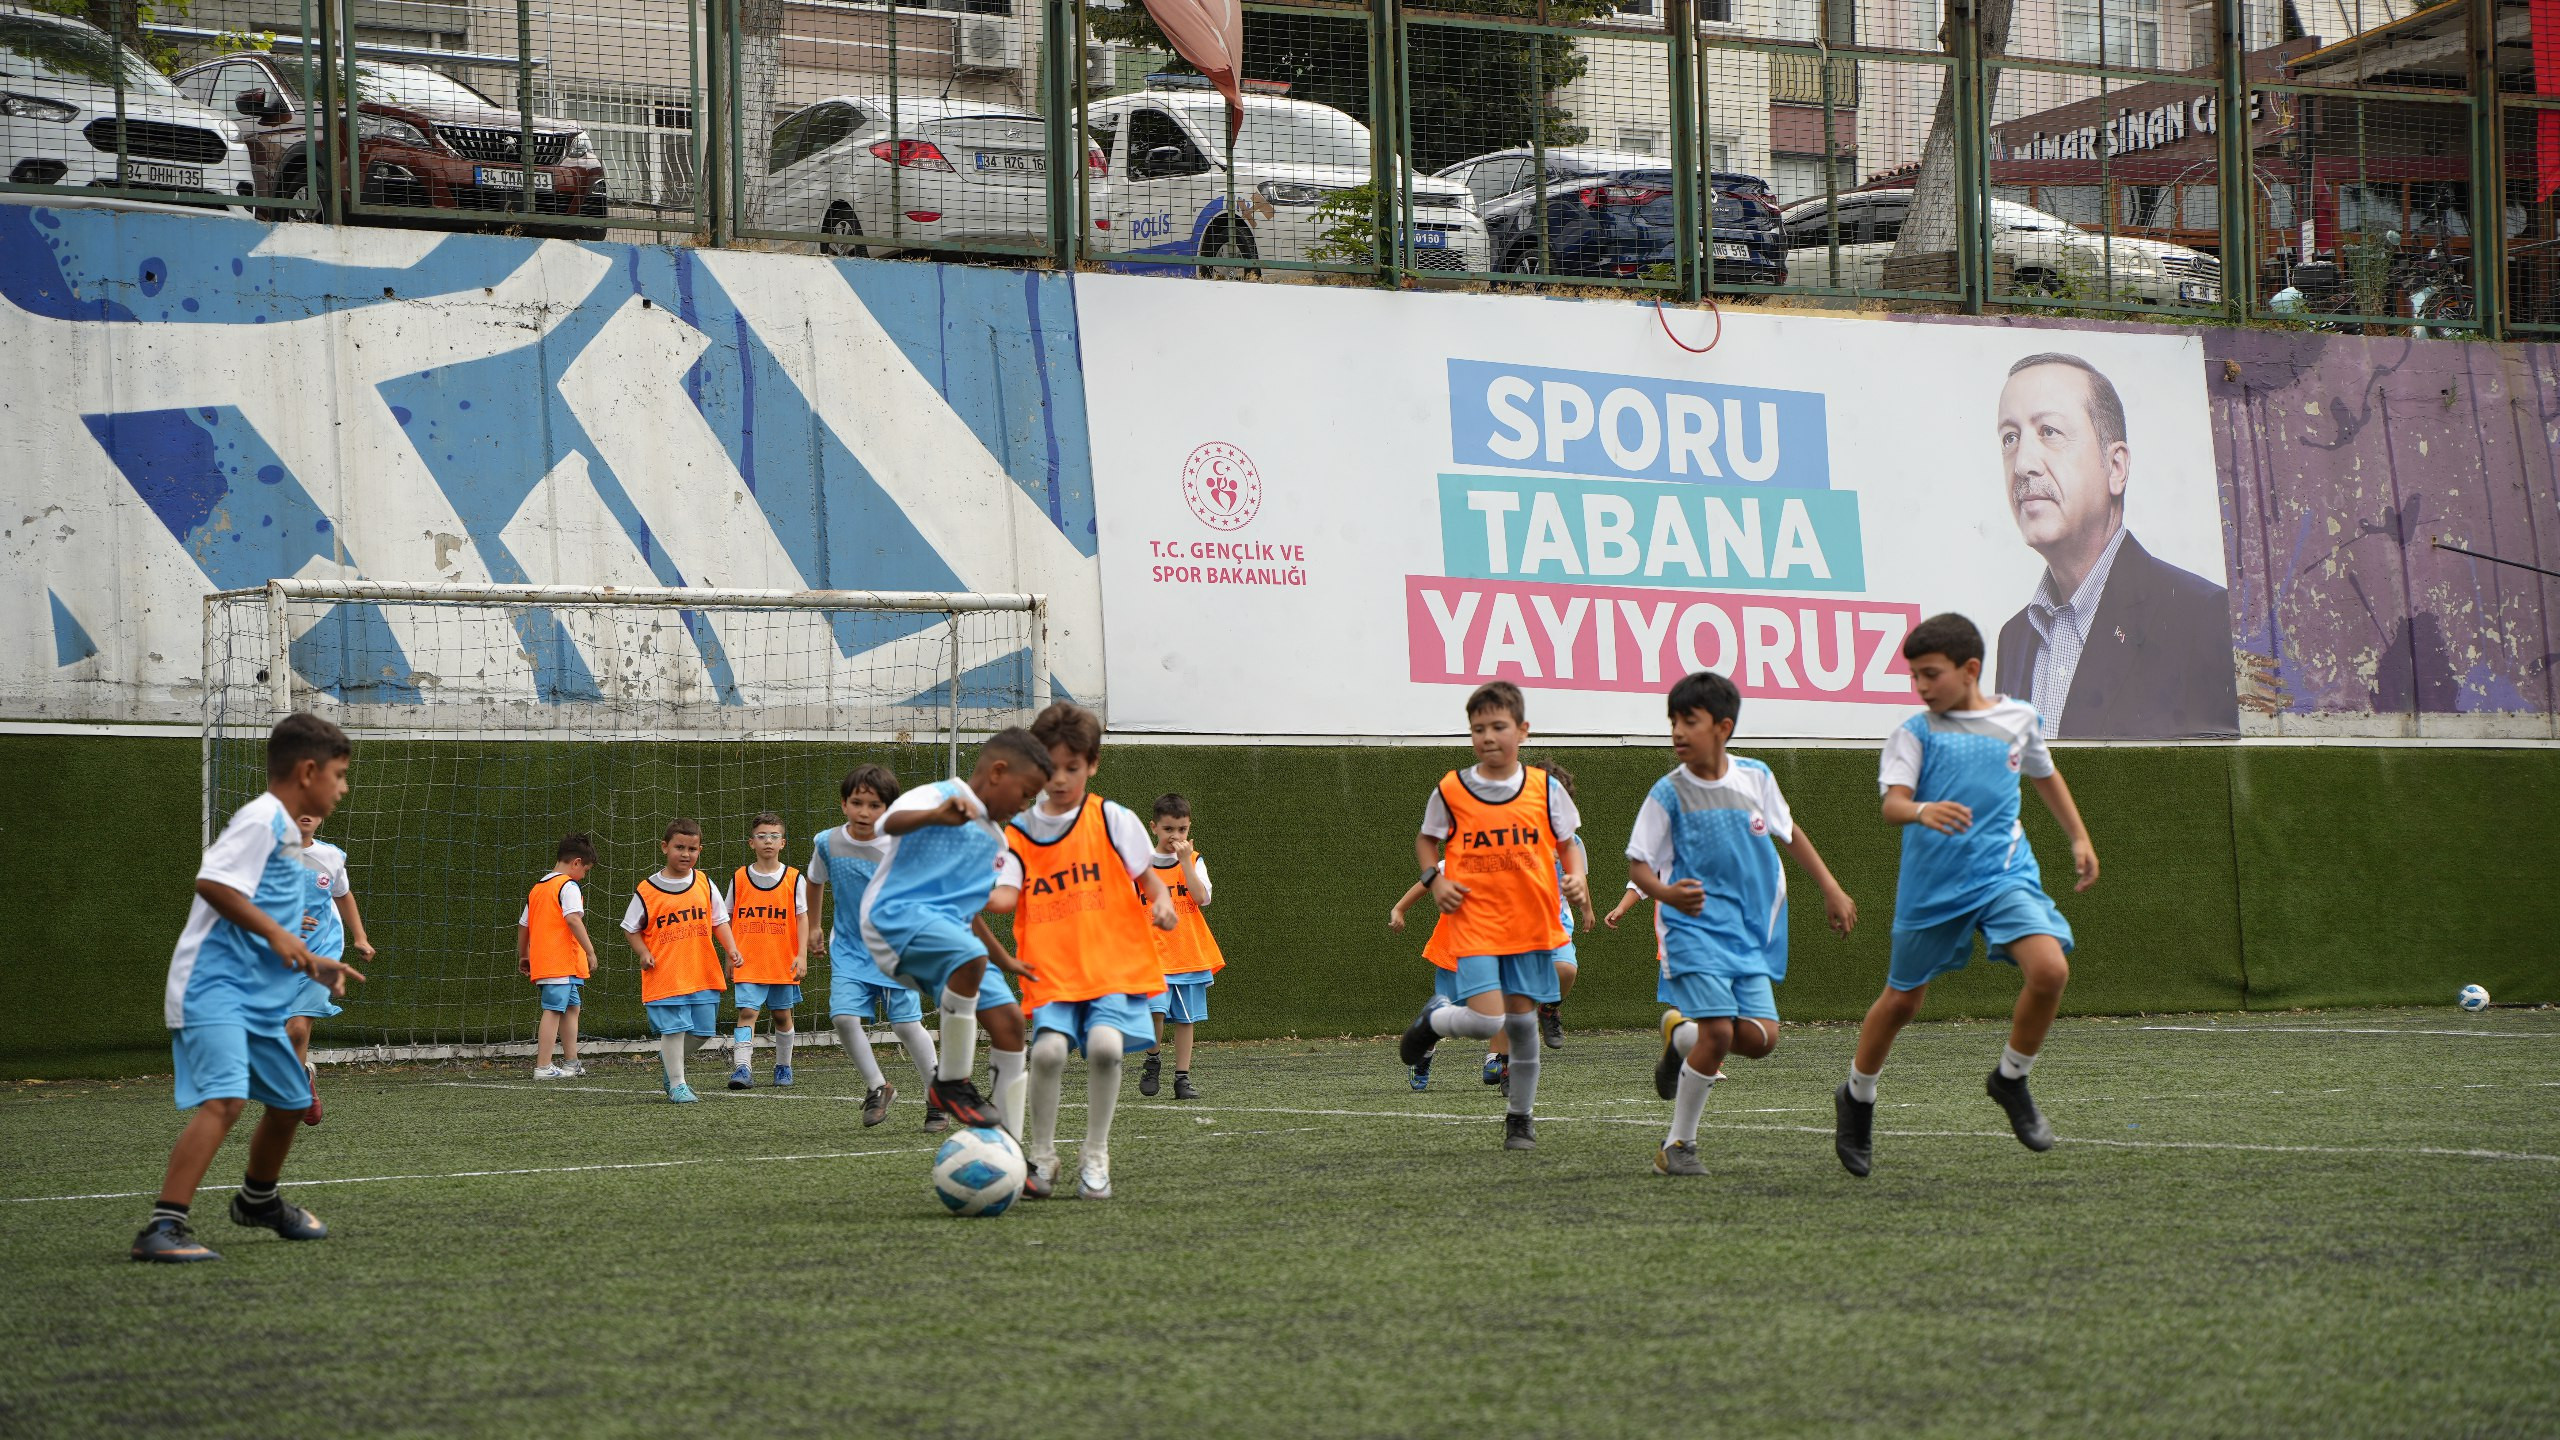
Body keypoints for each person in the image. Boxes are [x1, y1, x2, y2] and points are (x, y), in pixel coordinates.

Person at [1835, 612, 2100, 1177]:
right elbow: (1892, 805)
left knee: (2050, 969)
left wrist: (2078, 837)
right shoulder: (1915, 733)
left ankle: (2011, 1078)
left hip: (2005, 876)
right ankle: (1857, 1096)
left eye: (1931, 674)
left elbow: (2044, 774)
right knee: (1902, 1002)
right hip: (1932, 888)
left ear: (1970, 669)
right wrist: (1922, 810)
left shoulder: (2018, 719)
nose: (1921, 686)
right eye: (1914, 676)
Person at [133, 713, 365, 1263]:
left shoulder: (288, 835)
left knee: (290, 1101)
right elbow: (213, 884)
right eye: (338, 775)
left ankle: (258, 1200)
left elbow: (265, 917)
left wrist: (310, 960)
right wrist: (284, 939)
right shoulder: (262, 820)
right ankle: (163, 1227)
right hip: (213, 989)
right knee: (227, 1100)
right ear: (307, 772)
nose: (342, 788)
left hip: (259, 999)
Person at [1626, 671, 1856, 1177]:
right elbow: (1639, 866)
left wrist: (1831, 887)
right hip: (1691, 931)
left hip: (1749, 935)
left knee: (1760, 1039)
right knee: (1716, 1034)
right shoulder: (1668, 793)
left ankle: (1679, 1038)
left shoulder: (1756, 777)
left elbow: (1789, 832)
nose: (1678, 731)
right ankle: (1677, 1146)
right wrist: (1667, 894)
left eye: (1690, 720)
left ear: (1723, 727)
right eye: (1673, 721)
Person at [1992, 352, 2236, 739]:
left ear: (2116, 468)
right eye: (2010, 438)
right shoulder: (2015, 638)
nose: (2023, 464)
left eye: (2049, 432)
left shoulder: (2201, 618)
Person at [994, 703, 1178, 1200]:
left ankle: (1095, 1153)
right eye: (1050, 767)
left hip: (1111, 963)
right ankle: (1042, 1156)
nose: (1060, 779)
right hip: (1052, 968)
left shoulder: (1112, 819)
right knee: (1048, 1052)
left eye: (1072, 768)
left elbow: (1150, 880)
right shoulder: (1019, 833)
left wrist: (1162, 904)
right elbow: (1004, 897)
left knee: (1105, 1047)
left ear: (1092, 765)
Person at [1396, 681, 1587, 1151]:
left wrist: (1578, 877)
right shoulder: (1452, 789)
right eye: (1478, 728)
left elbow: (1568, 845)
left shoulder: (1547, 791)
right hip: (1477, 924)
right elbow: (1427, 841)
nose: (1487, 736)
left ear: (1522, 730)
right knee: (1486, 1022)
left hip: (1533, 926)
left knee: (1521, 1025)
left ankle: (1520, 1118)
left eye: (1498, 726)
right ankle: (1435, 1020)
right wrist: (1435, 879)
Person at [858, 728, 1053, 1134]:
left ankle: (1006, 1144)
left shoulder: (996, 841)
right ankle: (949, 1081)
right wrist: (936, 815)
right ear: (998, 772)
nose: (1023, 806)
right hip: (894, 918)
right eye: (1025, 793)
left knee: (1010, 1022)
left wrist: (1004, 959)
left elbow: (967, 911)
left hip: (951, 941)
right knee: (970, 956)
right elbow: (887, 823)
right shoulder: (939, 794)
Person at [810, 765, 946, 1130]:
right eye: (857, 803)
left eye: (875, 805)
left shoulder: (902, 845)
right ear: (844, 804)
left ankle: (937, 1095)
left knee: (906, 1025)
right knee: (842, 1018)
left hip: (896, 951)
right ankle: (877, 1087)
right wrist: (814, 926)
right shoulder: (827, 843)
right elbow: (815, 880)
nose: (864, 812)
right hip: (850, 949)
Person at [622, 819, 746, 1104]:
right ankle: (677, 1084)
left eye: (692, 849)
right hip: (665, 974)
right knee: (674, 1029)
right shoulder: (647, 889)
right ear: (665, 847)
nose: (685, 854)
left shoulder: (704, 882)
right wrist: (642, 952)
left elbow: (719, 920)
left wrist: (731, 949)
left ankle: (670, 1059)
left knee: (703, 1031)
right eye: (679, 847)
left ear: (700, 850)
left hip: (701, 971)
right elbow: (630, 928)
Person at [282, 811, 372, 1126]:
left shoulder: (330, 856)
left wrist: (360, 937)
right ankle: (301, 1080)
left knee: (297, 1028)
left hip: (322, 951)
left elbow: (343, 894)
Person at [1138, 792, 1223, 1102]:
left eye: (1182, 829)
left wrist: (1185, 861)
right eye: (1169, 829)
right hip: (1150, 955)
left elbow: (1201, 898)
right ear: (1154, 828)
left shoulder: (1194, 860)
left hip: (1187, 953)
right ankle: (1153, 1059)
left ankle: (1182, 1078)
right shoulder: (1139, 865)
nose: (1176, 836)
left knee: (1186, 1020)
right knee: (1155, 1011)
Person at [726, 813, 808, 1090]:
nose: (768, 841)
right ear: (752, 842)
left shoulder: (794, 878)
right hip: (748, 961)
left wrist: (802, 955)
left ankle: (783, 1066)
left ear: (783, 843)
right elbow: (727, 918)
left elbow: (803, 918)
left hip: (782, 962)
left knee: (782, 1016)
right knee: (747, 1013)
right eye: (761, 836)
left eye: (774, 836)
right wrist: (729, 954)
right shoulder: (739, 878)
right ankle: (742, 1068)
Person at [519, 833, 599, 1080]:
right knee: (553, 1010)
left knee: (572, 1007)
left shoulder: (538, 888)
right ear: (576, 863)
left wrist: (524, 955)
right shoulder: (568, 886)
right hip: (558, 962)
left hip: (562, 965)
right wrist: (590, 951)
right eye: (585, 870)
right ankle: (543, 1066)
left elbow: (523, 925)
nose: (584, 876)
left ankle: (571, 1063)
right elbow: (573, 919)